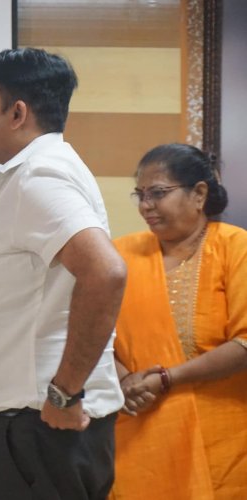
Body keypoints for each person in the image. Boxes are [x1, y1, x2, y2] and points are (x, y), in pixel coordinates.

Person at [0, 47, 127, 500]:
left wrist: (65, 393)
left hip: (36, 428)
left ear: (18, 113)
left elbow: (105, 273)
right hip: (29, 428)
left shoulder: (39, 178)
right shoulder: (36, 174)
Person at [110, 144, 247, 500]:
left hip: (221, 445)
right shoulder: (120, 255)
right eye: (139, 195)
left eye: (158, 193)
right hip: (140, 438)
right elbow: (93, 333)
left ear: (199, 193)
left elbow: (245, 344)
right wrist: (125, 378)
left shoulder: (236, 248)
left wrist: (167, 379)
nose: (145, 206)